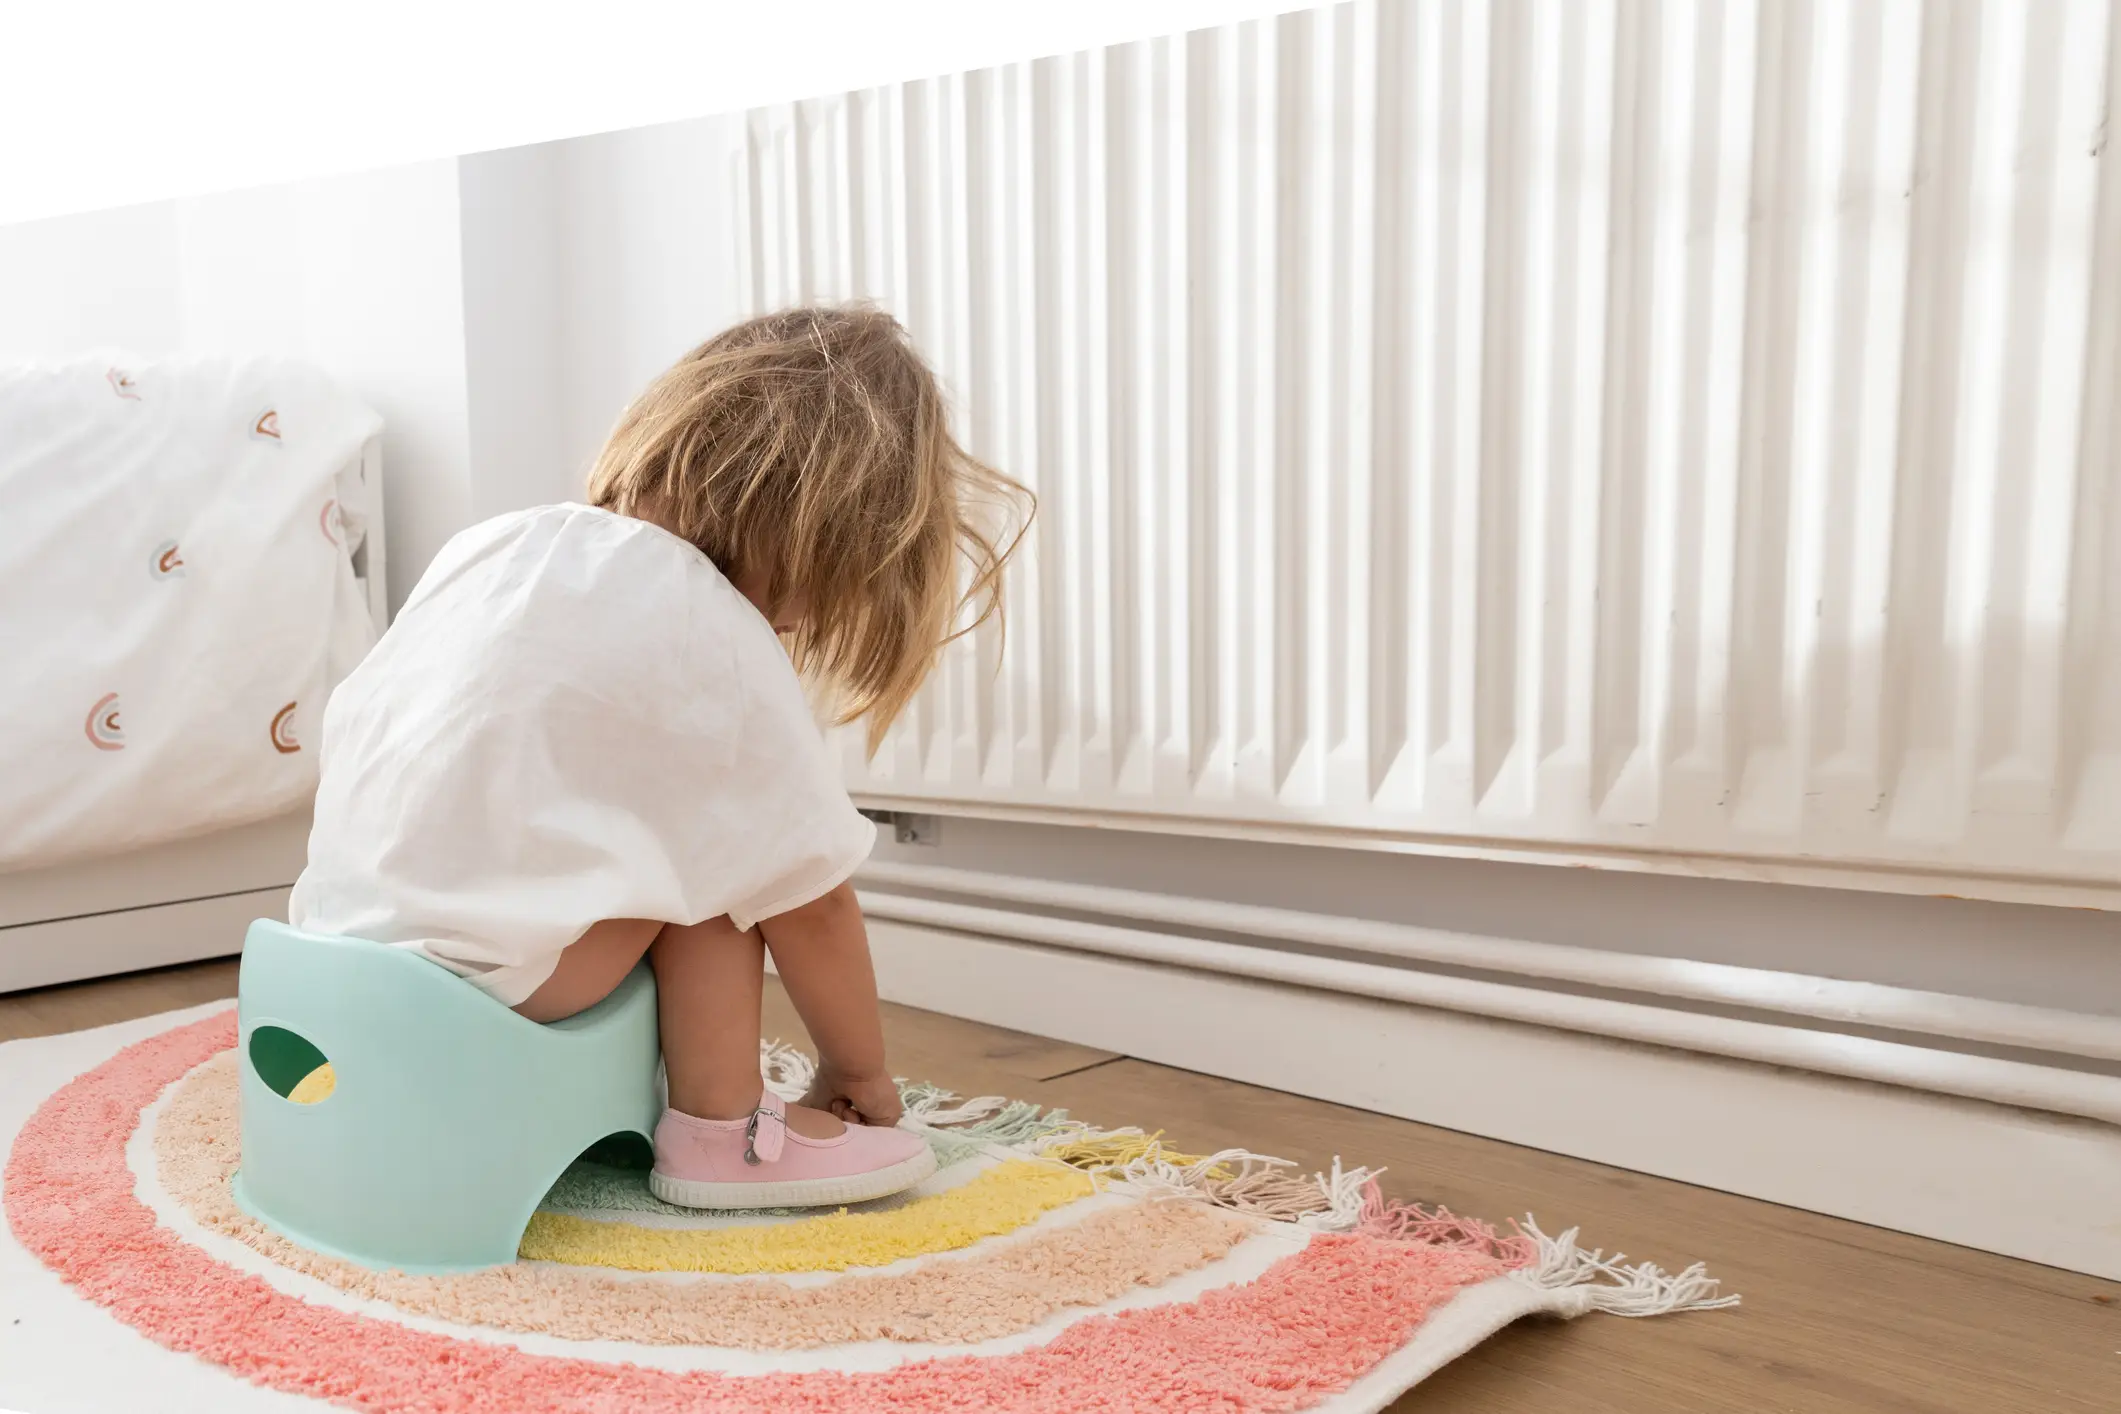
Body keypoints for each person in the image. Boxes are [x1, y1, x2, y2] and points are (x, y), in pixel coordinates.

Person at [288, 306, 1030, 1209]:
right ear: (820, 535)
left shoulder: (496, 545)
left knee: (659, 833)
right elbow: (814, 900)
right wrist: (855, 1067)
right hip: (483, 987)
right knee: (723, 870)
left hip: (322, 953)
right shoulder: (708, 622)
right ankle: (723, 1137)